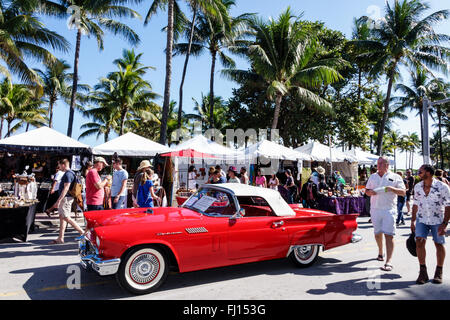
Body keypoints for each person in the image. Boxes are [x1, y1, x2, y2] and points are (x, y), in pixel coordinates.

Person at [365, 156, 406, 272]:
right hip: (375, 209)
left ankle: (388, 261)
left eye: (381, 163)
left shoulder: (395, 177)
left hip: (389, 210)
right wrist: (370, 193)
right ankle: (380, 252)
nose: (378, 165)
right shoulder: (373, 176)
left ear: (387, 165)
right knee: (377, 233)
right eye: (378, 163)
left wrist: (391, 189)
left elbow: (403, 192)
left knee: (389, 235)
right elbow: (367, 191)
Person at [411, 164, 450, 284]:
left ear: (429, 173)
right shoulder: (417, 187)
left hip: (437, 220)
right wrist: (412, 220)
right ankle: (423, 271)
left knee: (439, 244)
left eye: (420, 171)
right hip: (422, 219)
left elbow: (448, 206)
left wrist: (444, 223)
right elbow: (415, 204)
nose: (418, 174)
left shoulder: (442, 187)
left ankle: (439, 271)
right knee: (419, 242)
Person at [48, 159, 85, 244]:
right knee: (62, 217)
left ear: (63, 165)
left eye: (59, 165)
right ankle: (60, 238)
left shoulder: (68, 174)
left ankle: (82, 233)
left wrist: (59, 200)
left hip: (66, 199)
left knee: (65, 217)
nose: (59, 167)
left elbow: (66, 188)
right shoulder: (69, 173)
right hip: (67, 198)